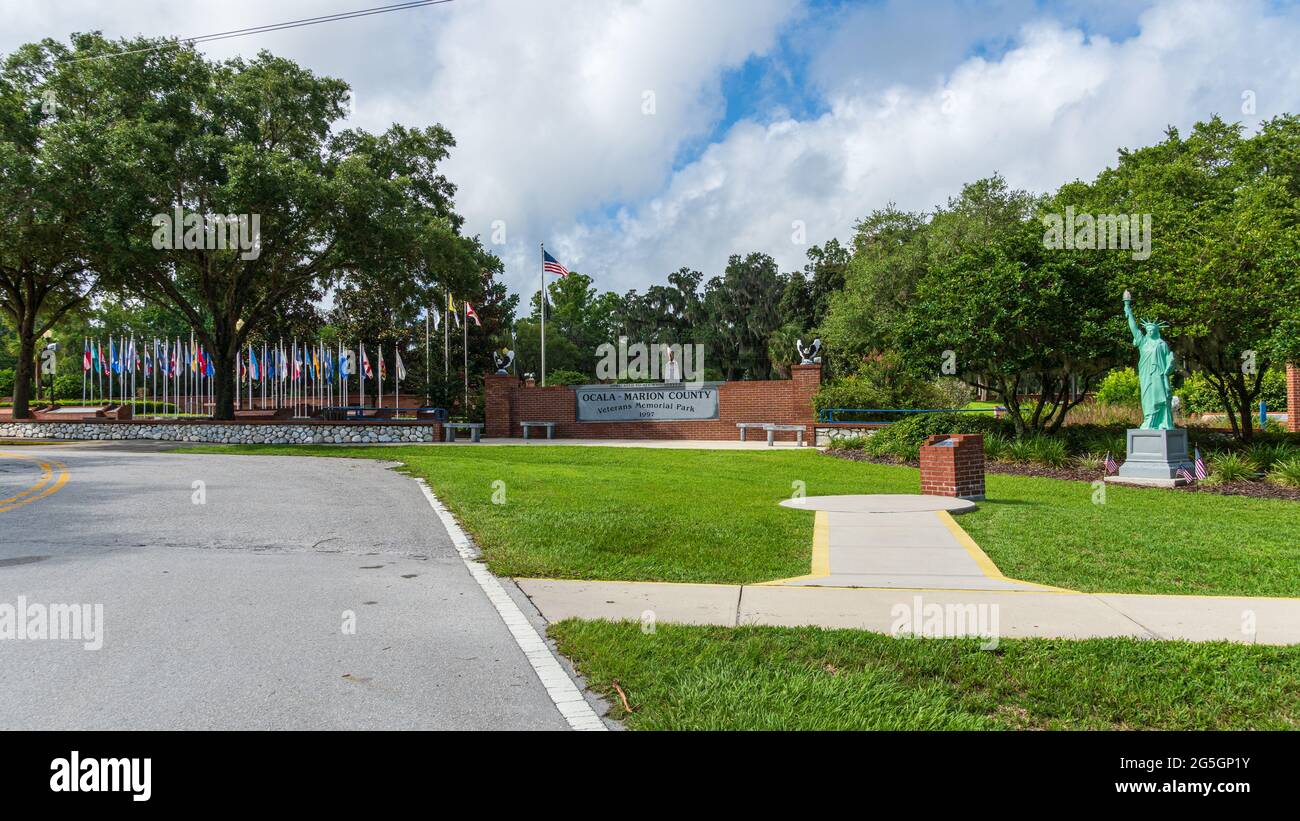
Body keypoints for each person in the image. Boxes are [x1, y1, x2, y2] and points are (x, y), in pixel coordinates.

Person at [1124, 291, 1175, 430]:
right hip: (1145, 374)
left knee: (1159, 397)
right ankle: (1148, 419)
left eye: (1153, 329)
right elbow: (1133, 327)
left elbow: (1169, 361)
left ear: (1157, 331)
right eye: (1148, 329)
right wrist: (1127, 308)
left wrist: (1170, 366)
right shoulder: (1142, 341)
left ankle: (1161, 422)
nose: (1150, 331)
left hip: (1158, 374)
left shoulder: (1161, 344)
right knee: (1147, 398)